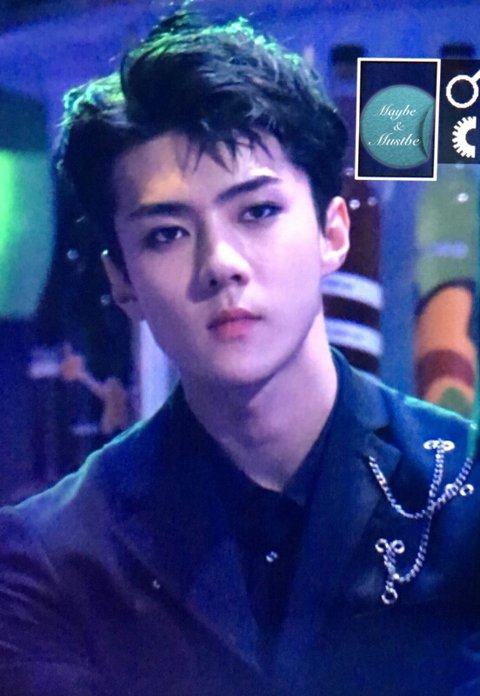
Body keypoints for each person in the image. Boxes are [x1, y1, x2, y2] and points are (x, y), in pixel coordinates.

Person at [1, 9, 479, 696]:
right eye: (167, 233)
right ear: (123, 282)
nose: (221, 263)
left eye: (257, 212)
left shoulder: (463, 492)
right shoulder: (53, 559)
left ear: (333, 232)